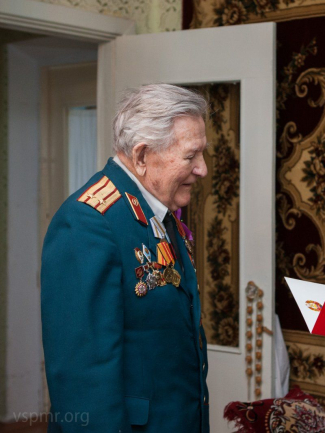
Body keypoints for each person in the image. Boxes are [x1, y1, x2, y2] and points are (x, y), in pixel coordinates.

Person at [41, 84, 210, 432]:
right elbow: (83, 382)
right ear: (142, 156)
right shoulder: (87, 223)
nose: (202, 169)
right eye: (191, 156)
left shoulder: (157, 212)